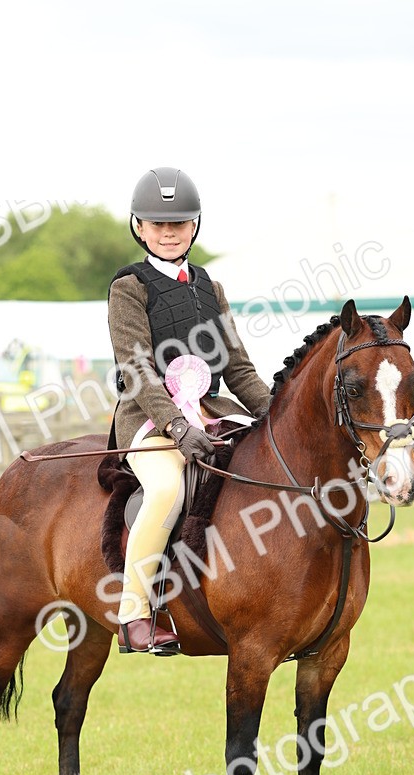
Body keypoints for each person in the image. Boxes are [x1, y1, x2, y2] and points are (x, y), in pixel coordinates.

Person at [107, 167, 272, 654]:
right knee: (164, 489)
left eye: (178, 223)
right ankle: (135, 614)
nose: (168, 231)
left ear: (194, 227)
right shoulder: (129, 288)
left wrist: (275, 412)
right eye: (158, 224)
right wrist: (177, 425)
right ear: (139, 227)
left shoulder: (210, 288)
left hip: (213, 412)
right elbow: (136, 368)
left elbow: (238, 368)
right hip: (149, 419)